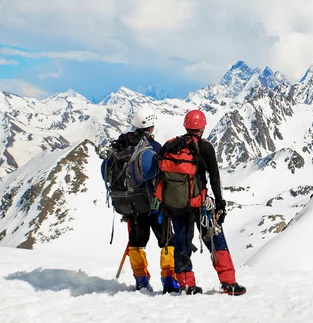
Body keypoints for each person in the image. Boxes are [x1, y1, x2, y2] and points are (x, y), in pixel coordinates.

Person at [162, 109, 246, 296]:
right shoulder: (205, 147)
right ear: (202, 127)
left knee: (181, 242)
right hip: (200, 204)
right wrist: (220, 205)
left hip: (175, 205)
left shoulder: (171, 146)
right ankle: (228, 283)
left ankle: (186, 284)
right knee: (215, 239)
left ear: (185, 126)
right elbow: (215, 178)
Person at [101, 108, 180, 294]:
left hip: (131, 206)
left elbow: (105, 169)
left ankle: (141, 280)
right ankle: (169, 279)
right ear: (150, 127)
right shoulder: (153, 148)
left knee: (136, 242)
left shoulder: (120, 146)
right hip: (154, 204)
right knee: (168, 241)